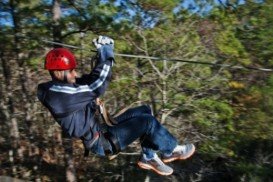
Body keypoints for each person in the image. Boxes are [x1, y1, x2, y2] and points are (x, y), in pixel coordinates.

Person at [37, 36, 196, 176]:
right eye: (71, 71)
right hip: (101, 141)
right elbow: (96, 86)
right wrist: (107, 53)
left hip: (104, 129)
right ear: (58, 72)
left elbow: (90, 79)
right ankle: (171, 150)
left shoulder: (64, 87)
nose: (75, 74)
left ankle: (148, 156)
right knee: (147, 122)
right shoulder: (59, 96)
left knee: (145, 110)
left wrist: (101, 55)